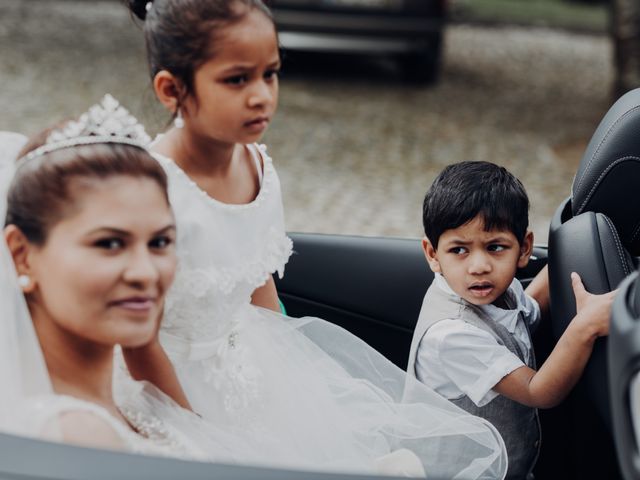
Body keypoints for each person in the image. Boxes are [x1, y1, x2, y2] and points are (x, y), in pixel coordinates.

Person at [122, 1, 509, 478]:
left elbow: (258, 280)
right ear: (172, 89)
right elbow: (137, 340)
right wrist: (195, 434)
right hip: (166, 386)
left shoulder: (258, 168)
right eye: (237, 80)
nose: (262, 95)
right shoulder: (151, 190)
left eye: (271, 74)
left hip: (245, 368)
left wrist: (287, 381)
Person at [0, 96, 247, 461]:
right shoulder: (76, 435)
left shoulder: (129, 393)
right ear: (22, 255)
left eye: (160, 242)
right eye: (110, 243)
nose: (145, 273)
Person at [408, 161, 615, 479]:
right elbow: (539, 392)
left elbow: (527, 312)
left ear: (524, 249)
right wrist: (586, 325)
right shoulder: (451, 335)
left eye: (495, 247)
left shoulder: (499, 292)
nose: (479, 266)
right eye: (459, 250)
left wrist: (569, 253)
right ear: (432, 254)